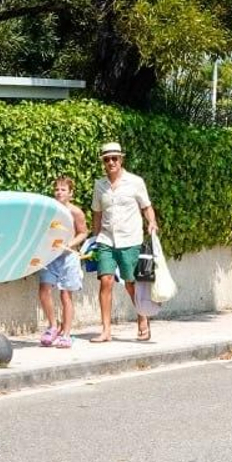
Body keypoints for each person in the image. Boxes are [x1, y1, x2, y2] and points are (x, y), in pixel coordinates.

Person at [90, 142, 159, 342]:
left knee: (131, 284)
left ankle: (142, 317)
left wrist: (152, 222)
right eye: (107, 159)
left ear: (121, 159)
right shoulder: (99, 185)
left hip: (130, 239)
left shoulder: (135, 182)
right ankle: (106, 330)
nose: (111, 162)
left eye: (114, 158)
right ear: (103, 162)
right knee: (106, 281)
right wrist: (95, 238)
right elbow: (97, 213)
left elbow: (146, 206)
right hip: (106, 240)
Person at [38, 176, 89, 349]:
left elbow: (83, 232)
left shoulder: (75, 212)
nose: (59, 192)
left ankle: (66, 334)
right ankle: (53, 326)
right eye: (57, 189)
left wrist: (70, 244)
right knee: (44, 290)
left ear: (71, 193)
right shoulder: (49, 210)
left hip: (68, 258)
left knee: (65, 295)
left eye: (63, 189)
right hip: (50, 256)